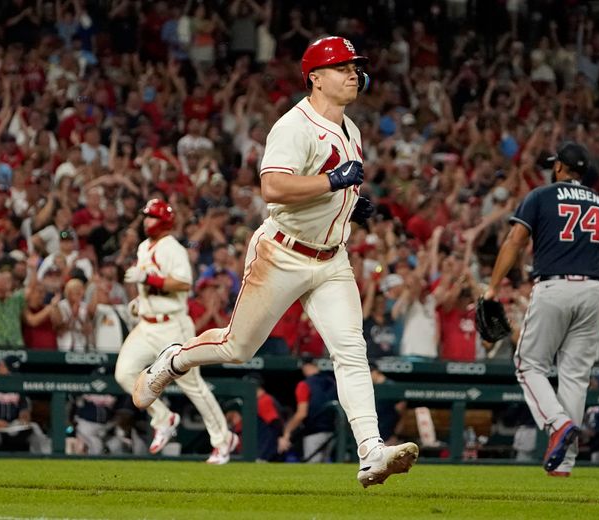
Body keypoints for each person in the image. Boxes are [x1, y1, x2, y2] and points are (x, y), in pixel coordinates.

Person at [132, 36, 418, 487]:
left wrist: (350, 202)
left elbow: (334, 185)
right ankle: (174, 359)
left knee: (351, 351)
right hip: (283, 252)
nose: (352, 73)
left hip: (331, 259)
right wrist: (332, 183)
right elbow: (274, 188)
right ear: (315, 79)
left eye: (354, 65)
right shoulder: (294, 125)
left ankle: (371, 452)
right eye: (340, 66)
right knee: (237, 347)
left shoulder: (352, 129)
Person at [484, 142, 599, 476]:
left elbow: (515, 241)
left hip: (554, 286)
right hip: (593, 291)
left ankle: (558, 424)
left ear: (560, 167)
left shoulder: (541, 195)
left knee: (527, 364)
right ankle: (565, 463)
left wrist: (492, 287)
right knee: (575, 377)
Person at [115, 199, 237, 465]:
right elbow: (152, 285)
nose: (147, 221)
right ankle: (164, 418)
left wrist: (148, 280)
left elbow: (183, 283)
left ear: (164, 221)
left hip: (173, 326)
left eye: (151, 217)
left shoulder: (172, 248)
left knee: (192, 386)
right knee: (124, 373)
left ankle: (223, 439)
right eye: (145, 216)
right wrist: (142, 301)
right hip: (147, 324)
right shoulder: (144, 247)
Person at [278, 358, 338, 463]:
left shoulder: (304, 385)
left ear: (305, 367)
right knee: (326, 469)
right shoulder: (332, 382)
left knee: (313, 469)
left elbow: (302, 413)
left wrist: (287, 431)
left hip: (314, 432)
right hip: (333, 431)